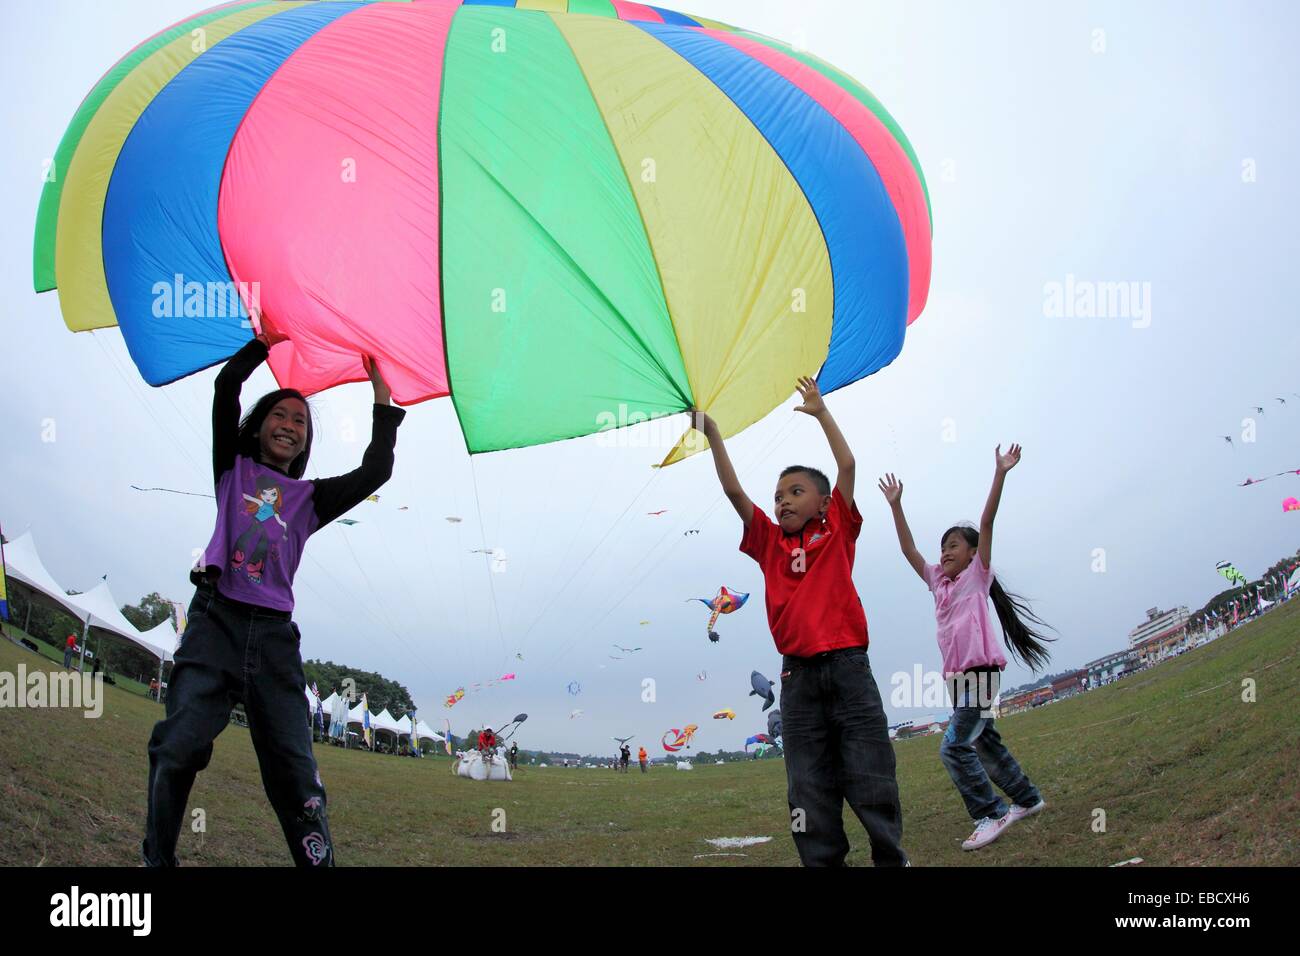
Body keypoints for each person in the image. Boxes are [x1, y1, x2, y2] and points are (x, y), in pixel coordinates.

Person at [142, 333, 405, 867]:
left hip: (275, 644)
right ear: (260, 426)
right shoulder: (232, 469)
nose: (289, 425)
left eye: (300, 421)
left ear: (306, 441)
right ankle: (156, 861)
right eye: (280, 415)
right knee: (178, 748)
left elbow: (376, 471)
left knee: (297, 776)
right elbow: (226, 387)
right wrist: (265, 340)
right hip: (215, 624)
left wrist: (382, 391)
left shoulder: (310, 500)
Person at [694, 378, 907, 867]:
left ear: (824, 503)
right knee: (807, 787)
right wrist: (713, 435)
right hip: (797, 678)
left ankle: (891, 858)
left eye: (796, 491)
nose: (782, 501)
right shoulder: (768, 543)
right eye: (778, 495)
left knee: (870, 774)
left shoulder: (838, 531)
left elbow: (848, 466)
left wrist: (821, 412)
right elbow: (732, 490)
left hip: (849, 669)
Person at [879, 443, 1051, 852]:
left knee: (954, 746)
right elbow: (908, 550)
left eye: (954, 545)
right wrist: (895, 506)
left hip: (982, 675)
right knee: (983, 741)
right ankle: (1027, 799)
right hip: (958, 681)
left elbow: (987, 521)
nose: (946, 552)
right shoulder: (938, 583)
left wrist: (1001, 473)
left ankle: (989, 814)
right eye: (943, 546)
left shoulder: (978, 575)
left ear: (973, 553)